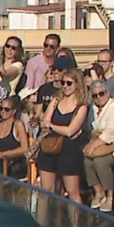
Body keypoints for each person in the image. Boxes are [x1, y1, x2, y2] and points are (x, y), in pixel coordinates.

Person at [39, 71, 90, 203]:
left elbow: (70, 131)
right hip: (50, 146)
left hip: (69, 150)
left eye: (69, 83)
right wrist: (50, 126)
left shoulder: (81, 107)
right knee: (46, 190)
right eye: (63, 83)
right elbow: (44, 123)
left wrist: (52, 126)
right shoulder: (56, 101)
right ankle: (42, 222)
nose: (65, 86)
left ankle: (76, 223)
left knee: (73, 192)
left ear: (77, 85)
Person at [83, 79, 114, 212]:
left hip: (112, 145)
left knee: (100, 162)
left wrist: (93, 145)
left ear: (108, 93)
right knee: (87, 161)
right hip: (99, 141)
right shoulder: (94, 108)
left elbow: (110, 133)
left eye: (101, 94)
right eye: (95, 95)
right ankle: (98, 191)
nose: (99, 98)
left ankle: (111, 195)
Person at [0, 98, 31, 180]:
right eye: (1, 108)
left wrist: (2, 154)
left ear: (14, 111)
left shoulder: (18, 125)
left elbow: (24, 148)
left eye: (7, 109)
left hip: (12, 166)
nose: (3, 111)